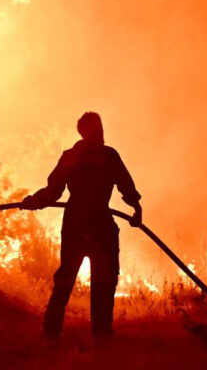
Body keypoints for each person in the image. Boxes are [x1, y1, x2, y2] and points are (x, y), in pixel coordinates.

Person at [20, 112, 142, 341]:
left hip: (85, 225)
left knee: (84, 282)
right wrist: (34, 201)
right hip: (92, 226)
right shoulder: (97, 156)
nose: (101, 133)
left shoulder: (87, 156)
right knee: (86, 281)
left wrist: (35, 201)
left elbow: (53, 191)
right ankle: (82, 335)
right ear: (88, 132)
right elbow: (54, 189)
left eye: (101, 128)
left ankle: (70, 335)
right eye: (98, 129)